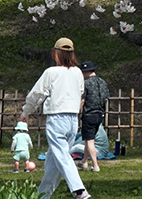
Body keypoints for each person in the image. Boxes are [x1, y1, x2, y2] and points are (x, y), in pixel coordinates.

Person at [20, 37, 89, 199]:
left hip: (57, 118)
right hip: (73, 120)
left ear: (55, 53)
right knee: (53, 162)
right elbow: (80, 92)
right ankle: (42, 196)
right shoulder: (78, 72)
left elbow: (36, 95)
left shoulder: (50, 73)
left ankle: (79, 190)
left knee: (62, 156)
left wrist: (25, 112)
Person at [78, 61, 109, 172]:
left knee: (90, 140)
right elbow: (106, 99)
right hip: (99, 114)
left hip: (89, 114)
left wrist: (78, 111)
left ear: (86, 72)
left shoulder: (86, 84)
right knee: (88, 139)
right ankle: (84, 162)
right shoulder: (102, 82)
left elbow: (82, 100)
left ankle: (95, 165)